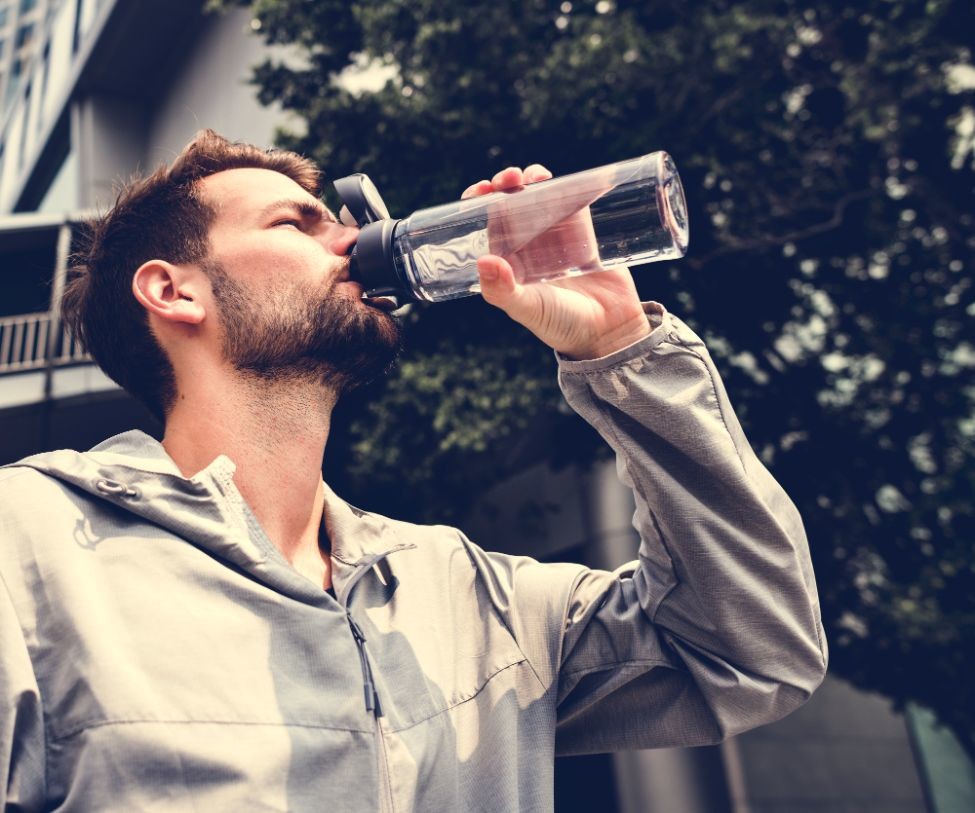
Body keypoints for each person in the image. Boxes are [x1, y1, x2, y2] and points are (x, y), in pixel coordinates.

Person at [0, 130, 827, 812]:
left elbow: (748, 653)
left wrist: (620, 349)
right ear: (174, 292)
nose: (352, 244)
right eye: (299, 224)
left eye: (343, 223)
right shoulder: (31, 544)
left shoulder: (463, 592)